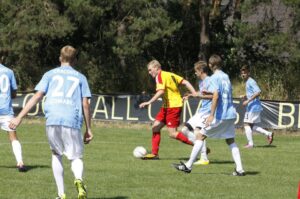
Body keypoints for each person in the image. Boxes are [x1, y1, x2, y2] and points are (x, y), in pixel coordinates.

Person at [9, 45, 93, 199]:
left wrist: (19, 116)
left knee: (56, 154)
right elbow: (85, 104)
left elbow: (37, 96)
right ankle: (79, 180)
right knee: (75, 158)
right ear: (75, 60)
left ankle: (61, 195)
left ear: (60, 58)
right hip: (72, 120)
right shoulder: (81, 77)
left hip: (53, 119)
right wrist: (88, 129)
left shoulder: (50, 74)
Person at [173, 54, 245, 176]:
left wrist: (211, 115)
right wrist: (204, 94)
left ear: (211, 65)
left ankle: (188, 166)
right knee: (230, 140)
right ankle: (240, 169)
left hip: (221, 115)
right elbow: (217, 94)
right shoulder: (226, 76)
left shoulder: (213, 78)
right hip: (231, 113)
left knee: (200, 136)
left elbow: (216, 96)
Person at [139, 60, 198, 160]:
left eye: (150, 70)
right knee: (155, 128)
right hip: (167, 106)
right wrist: (194, 93)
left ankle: (198, 145)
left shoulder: (160, 76)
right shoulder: (169, 74)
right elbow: (186, 82)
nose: (149, 72)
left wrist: (149, 102)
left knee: (172, 133)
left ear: (156, 68)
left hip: (173, 106)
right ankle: (154, 154)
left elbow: (161, 91)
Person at [181, 61, 212, 165]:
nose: (195, 73)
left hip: (208, 111)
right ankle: (201, 147)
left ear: (201, 70)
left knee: (198, 132)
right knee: (184, 130)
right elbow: (201, 93)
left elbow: (214, 95)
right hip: (201, 111)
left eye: (196, 71)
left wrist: (199, 96)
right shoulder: (201, 82)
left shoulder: (210, 81)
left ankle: (204, 158)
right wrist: (190, 95)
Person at [0, 52, 26, 172]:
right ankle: (20, 162)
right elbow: (14, 93)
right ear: (2, 57)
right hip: (6, 110)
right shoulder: (9, 72)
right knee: (13, 137)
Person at [240, 65, 274, 148]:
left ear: (249, 73)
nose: (243, 74)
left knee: (246, 124)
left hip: (253, 107)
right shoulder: (248, 82)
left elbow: (258, 92)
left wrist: (248, 100)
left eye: (245, 73)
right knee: (251, 126)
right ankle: (268, 133)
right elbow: (253, 93)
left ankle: (250, 144)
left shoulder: (251, 81)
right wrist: (245, 96)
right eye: (242, 73)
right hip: (253, 106)